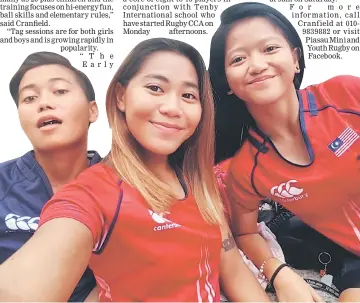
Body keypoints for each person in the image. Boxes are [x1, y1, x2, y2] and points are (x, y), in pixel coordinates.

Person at [0, 38, 270, 302]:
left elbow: (229, 262)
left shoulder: (199, 181)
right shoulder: (95, 192)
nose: (172, 108)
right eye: (155, 88)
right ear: (120, 96)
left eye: (188, 95)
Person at [209, 2, 360, 302]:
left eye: (269, 49)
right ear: (227, 82)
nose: (256, 64)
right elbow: (246, 233)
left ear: (295, 60)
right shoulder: (246, 169)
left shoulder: (345, 94)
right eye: (239, 58)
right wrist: (279, 273)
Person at [0, 52, 101, 301]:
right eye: (29, 98)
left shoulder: (126, 185)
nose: (43, 103)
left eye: (59, 91)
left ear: (92, 110)